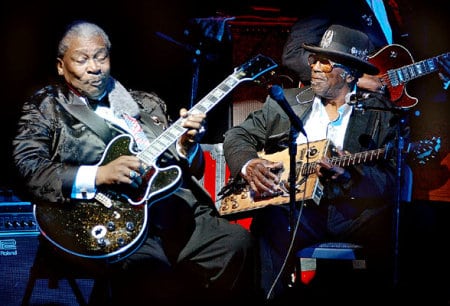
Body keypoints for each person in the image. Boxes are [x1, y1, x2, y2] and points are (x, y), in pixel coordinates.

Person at [12, 20, 255, 306]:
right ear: (60, 66)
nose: (94, 67)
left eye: (101, 57)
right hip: (108, 220)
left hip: (174, 214)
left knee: (236, 242)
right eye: (81, 59)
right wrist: (99, 174)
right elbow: (27, 169)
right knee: (150, 276)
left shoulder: (146, 104)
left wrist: (186, 146)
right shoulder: (47, 107)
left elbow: (191, 168)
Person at [223, 24, 407, 304]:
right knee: (270, 221)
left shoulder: (381, 114)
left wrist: (349, 176)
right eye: (314, 59)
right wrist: (249, 164)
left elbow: (393, 178)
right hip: (299, 211)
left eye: (326, 61)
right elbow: (238, 135)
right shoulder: (288, 103)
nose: (315, 67)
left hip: (352, 213)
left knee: (401, 225)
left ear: (349, 73)